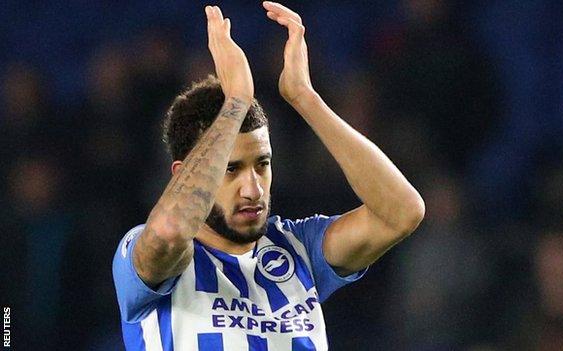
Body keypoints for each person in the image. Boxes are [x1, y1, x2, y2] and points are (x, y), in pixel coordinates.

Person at [112, 2, 425, 350]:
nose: (253, 188)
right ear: (182, 175)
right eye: (230, 169)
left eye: (262, 164)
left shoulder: (299, 248)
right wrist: (237, 101)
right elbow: (170, 232)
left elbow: (402, 212)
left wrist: (305, 98)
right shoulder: (148, 256)